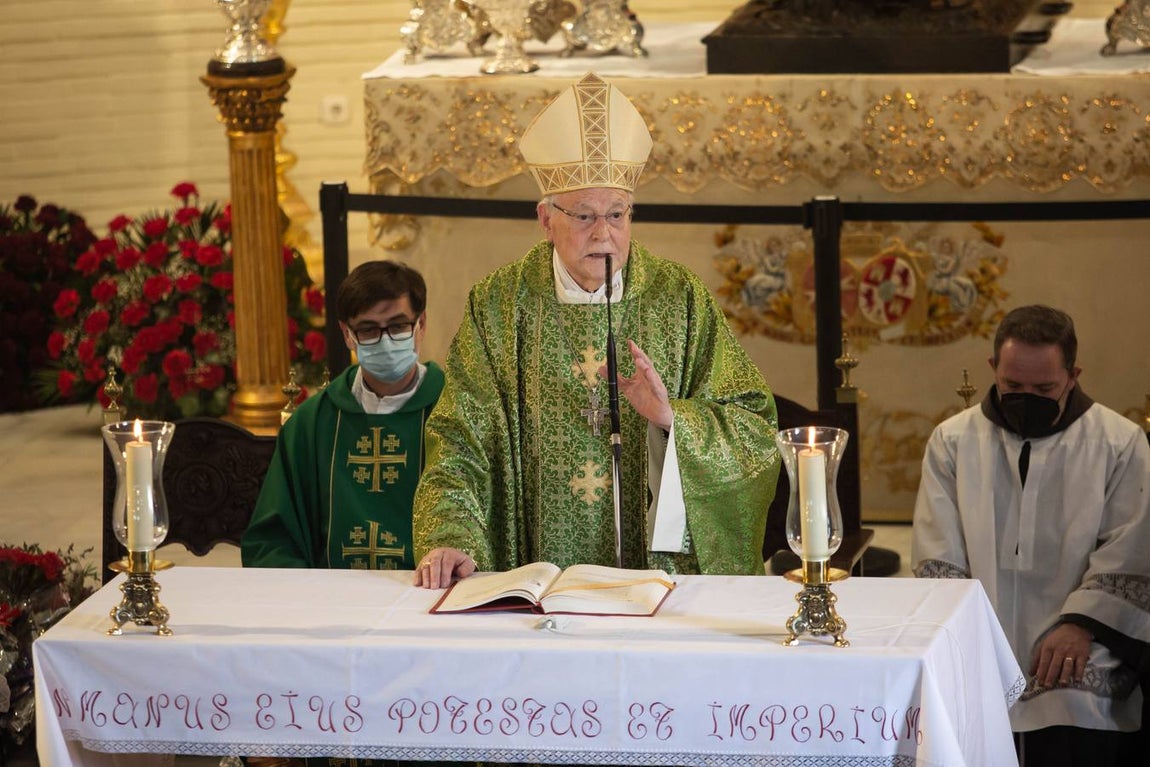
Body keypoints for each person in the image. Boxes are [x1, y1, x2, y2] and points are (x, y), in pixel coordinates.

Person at [411, 72, 780, 589]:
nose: (604, 234)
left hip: (657, 588)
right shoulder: (498, 305)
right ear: (545, 219)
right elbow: (459, 439)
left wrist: (674, 419)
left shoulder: (681, 299)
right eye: (584, 215)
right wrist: (451, 533)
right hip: (534, 580)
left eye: (617, 214)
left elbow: (754, 429)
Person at [911, 304, 1150, 766]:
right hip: (978, 631)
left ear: (1073, 374)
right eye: (1012, 386)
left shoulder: (1118, 442)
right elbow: (939, 548)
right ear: (992, 369)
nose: (1026, 397)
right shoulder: (954, 440)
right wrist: (972, 641)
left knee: (1077, 706)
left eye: (1044, 388)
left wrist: (1081, 625)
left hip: (1081, 638)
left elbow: (1130, 547)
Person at [242, 259, 444, 571]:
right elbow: (272, 541)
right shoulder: (311, 424)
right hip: (332, 602)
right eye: (368, 330)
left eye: (398, 326)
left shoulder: (455, 412)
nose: (385, 340)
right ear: (347, 334)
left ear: (422, 324)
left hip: (430, 598)